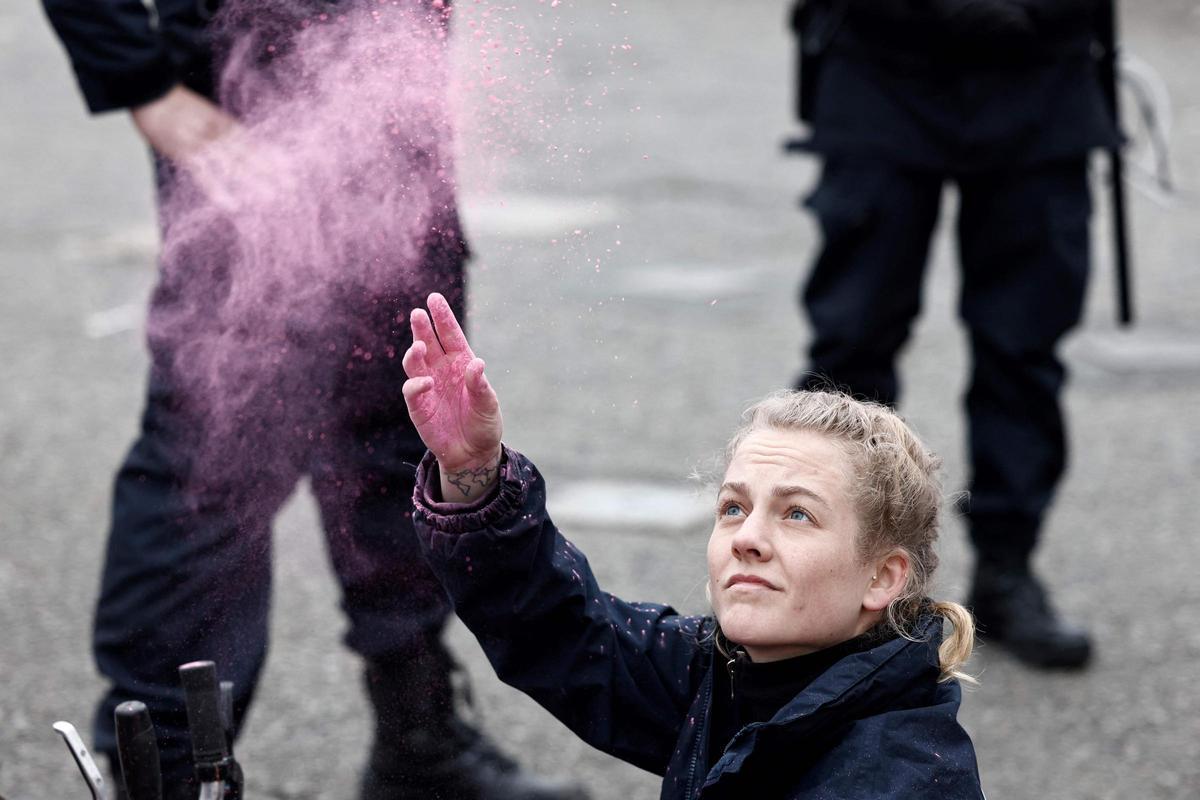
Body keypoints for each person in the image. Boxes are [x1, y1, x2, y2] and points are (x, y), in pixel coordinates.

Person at [41, 2, 583, 798]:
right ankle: (159, 768)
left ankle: (417, 732)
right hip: (249, 78)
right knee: (218, 438)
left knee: (407, 409)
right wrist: (137, 76)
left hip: (391, 63)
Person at [399, 293, 985, 798]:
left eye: (798, 514)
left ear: (883, 578)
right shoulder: (730, 667)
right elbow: (561, 629)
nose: (749, 539)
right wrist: (475, 472)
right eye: (734, 507)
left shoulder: (900, 777)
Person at [788, 0, 1121, 668]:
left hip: (1040, 68)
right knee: (852, 345)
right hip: (883, 59)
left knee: (1022, 348)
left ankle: (1006, 568)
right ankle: (828, 573)